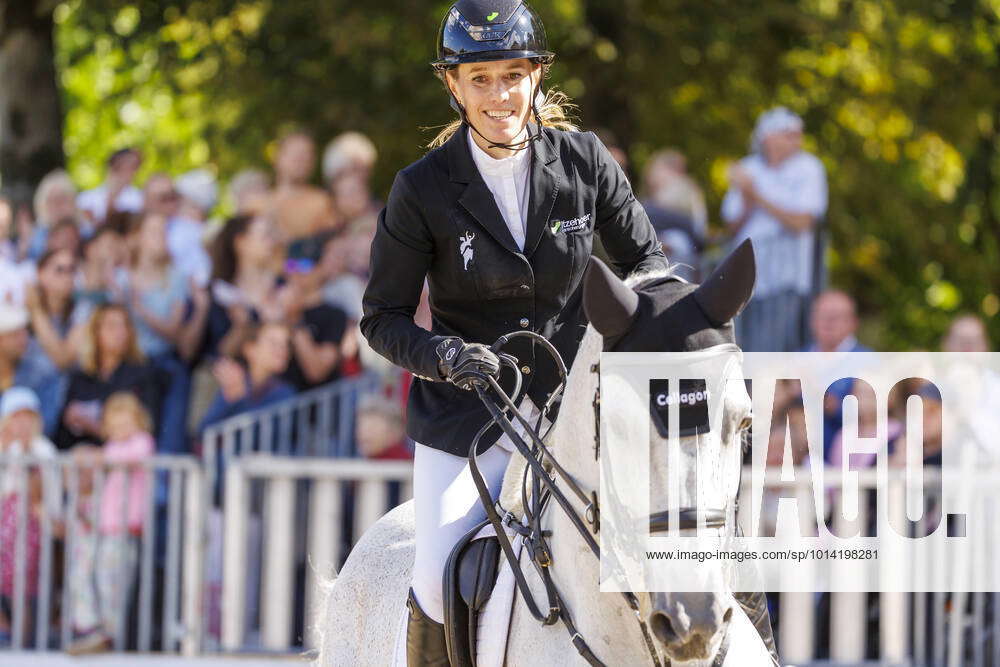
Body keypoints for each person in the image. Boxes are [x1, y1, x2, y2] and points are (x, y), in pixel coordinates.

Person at [359, 1, 667, 661]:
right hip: (469, 418)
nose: (499, 94)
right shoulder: (423, 188)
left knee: (677, 535)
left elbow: (649, 266)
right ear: (453, 85)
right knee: (437, 579)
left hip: (576, 414)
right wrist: (443, 354)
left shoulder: (585, 162)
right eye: (480, 79)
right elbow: (380, 317)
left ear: (535, 75)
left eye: (512, 75)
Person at [722, 107, 828, 352]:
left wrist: (755, 194)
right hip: (745, 277)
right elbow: (731, 225)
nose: (798, 140)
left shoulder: (809, 168)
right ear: (768, 137)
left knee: (772, 347)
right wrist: (749, 200)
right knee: (739, 347)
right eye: (789, 134)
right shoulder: (748, 167)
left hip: (787, 278)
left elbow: (802, 222)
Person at [65, 392, 154, 655]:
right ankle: (88, 625)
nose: (120, 431)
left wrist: (97, 457)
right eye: (114, 426)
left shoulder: (141, 443)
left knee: (110, 580)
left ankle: (107, 630)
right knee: (83, 572)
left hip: (125, 530)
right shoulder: (110, 450)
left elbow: (135, 454)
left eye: (126, 424)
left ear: (138, 422)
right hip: (103, 528)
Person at [121, 213, 192, 454]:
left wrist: (139, 308)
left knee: (169, 436)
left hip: (164, 365)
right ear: (137, 237)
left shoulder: (177, 277)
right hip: (130, 365)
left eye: (164, 232)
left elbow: (173, 330)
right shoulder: (122, 278)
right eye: (153, 232)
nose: (160, 238)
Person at [55, 304, 160, 450]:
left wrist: (93, 426)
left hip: (125, 461)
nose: (120, 333)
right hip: (80, 461)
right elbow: (62, 433)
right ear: (95, 332)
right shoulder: (80, 377)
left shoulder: (142, 374)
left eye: (125, 326)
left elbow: (147, 427)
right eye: (112, 326)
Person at [23, 249, 88, 435]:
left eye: (71, 270)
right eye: (59, 270)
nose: (67, 276)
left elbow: (63, 359)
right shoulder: (21, 308)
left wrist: (36, 311)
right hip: (25, 391)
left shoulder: (82, 309)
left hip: (63, 397)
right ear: (40, 274)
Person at [143, 173, 212, 286]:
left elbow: (202, 272)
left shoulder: (191, 229)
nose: (171, 202)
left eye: (174, 196)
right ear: (147, 201)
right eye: (163, 198)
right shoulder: (135, 230)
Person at [270, 132, 337, 242]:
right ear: (278, 157)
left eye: (306, 155)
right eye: (294, 153)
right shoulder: (255, 204)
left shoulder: (323, 202)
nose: (300, 160)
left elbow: (330, 245)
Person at [77, 148, 144, 227]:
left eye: (133, 166)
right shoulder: (86, 198)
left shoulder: (140, 199)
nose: (126, 170)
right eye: (120, 165)